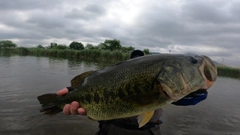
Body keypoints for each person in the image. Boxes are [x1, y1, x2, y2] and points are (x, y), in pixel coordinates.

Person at [56, 50, 208, 135]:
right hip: (110, 128)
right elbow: (100, 83)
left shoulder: (162, 85)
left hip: (147, 131)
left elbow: (182, 97)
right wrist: (74, 92)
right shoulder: (118, 76)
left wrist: (196, 91)